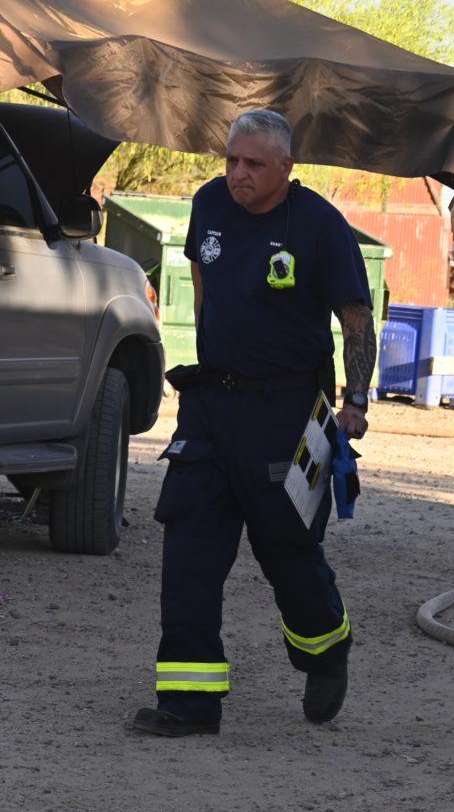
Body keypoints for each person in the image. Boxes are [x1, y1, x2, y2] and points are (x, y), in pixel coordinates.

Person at [133, 109, 376, 737]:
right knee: (188, 550)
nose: (237, 173)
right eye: (231, 160)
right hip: (210, 408)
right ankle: (188, 702)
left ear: (286, 168)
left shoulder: (320, 225)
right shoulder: (209, 203)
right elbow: (204, 278)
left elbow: (356, 318)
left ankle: (326, 650)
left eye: (253, 164)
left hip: (287, 414)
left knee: (288, 552)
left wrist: (355, 401)